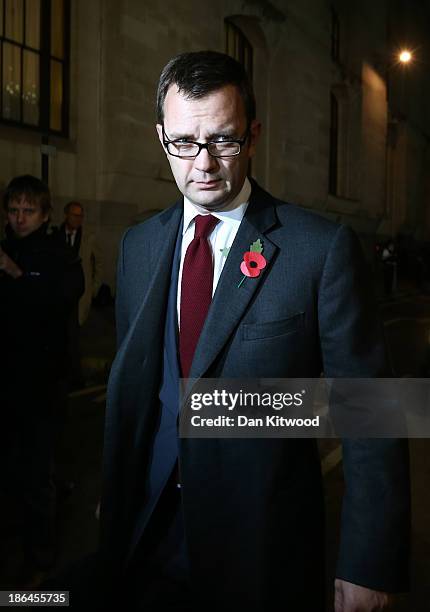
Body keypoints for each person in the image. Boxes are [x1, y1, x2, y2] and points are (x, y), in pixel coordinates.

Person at [98, 51, 410, 611]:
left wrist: (370, 560)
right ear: (161, 137)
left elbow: (373, 407)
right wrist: (115, 493)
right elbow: (135, 393)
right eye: (183, 143)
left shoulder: (320, 249)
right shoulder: (137, 246)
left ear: (254, 135)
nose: (203, 164)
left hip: (259, 551)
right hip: (146, 540)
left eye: (223, 140)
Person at [0, 175, 84, 587]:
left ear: (45, 213)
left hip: (43, 383)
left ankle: (42, 553)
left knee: (36, 471)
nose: (19, 218)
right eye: (13, 210)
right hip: (10, 381)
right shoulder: (8, 247)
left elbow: (58, 302)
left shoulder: (56, 255)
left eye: (27, 211)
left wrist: (15, 273)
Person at [54, 201, 102, 388]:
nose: (78, 219)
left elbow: (98, 263)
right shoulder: (55, 235)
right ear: (66, 215)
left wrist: (94, 288)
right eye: (74, 215)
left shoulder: (88, 237)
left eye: (80, 215)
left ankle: (75, 377)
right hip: (59, 296)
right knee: (60, 336)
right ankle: (62, 374)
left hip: (79, 296)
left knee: (75, 337)